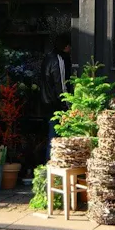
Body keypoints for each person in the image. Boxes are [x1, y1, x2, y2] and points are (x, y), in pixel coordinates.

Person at [40, 32, 72, 160]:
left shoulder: (47, 58)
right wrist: (67, 103)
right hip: (56, 105)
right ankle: (53, 168)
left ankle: (49, 168)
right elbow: (61, 84)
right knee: (57, 138)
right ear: (65, 46)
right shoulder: (59, 60)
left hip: (47, 102)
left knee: (51, 138)